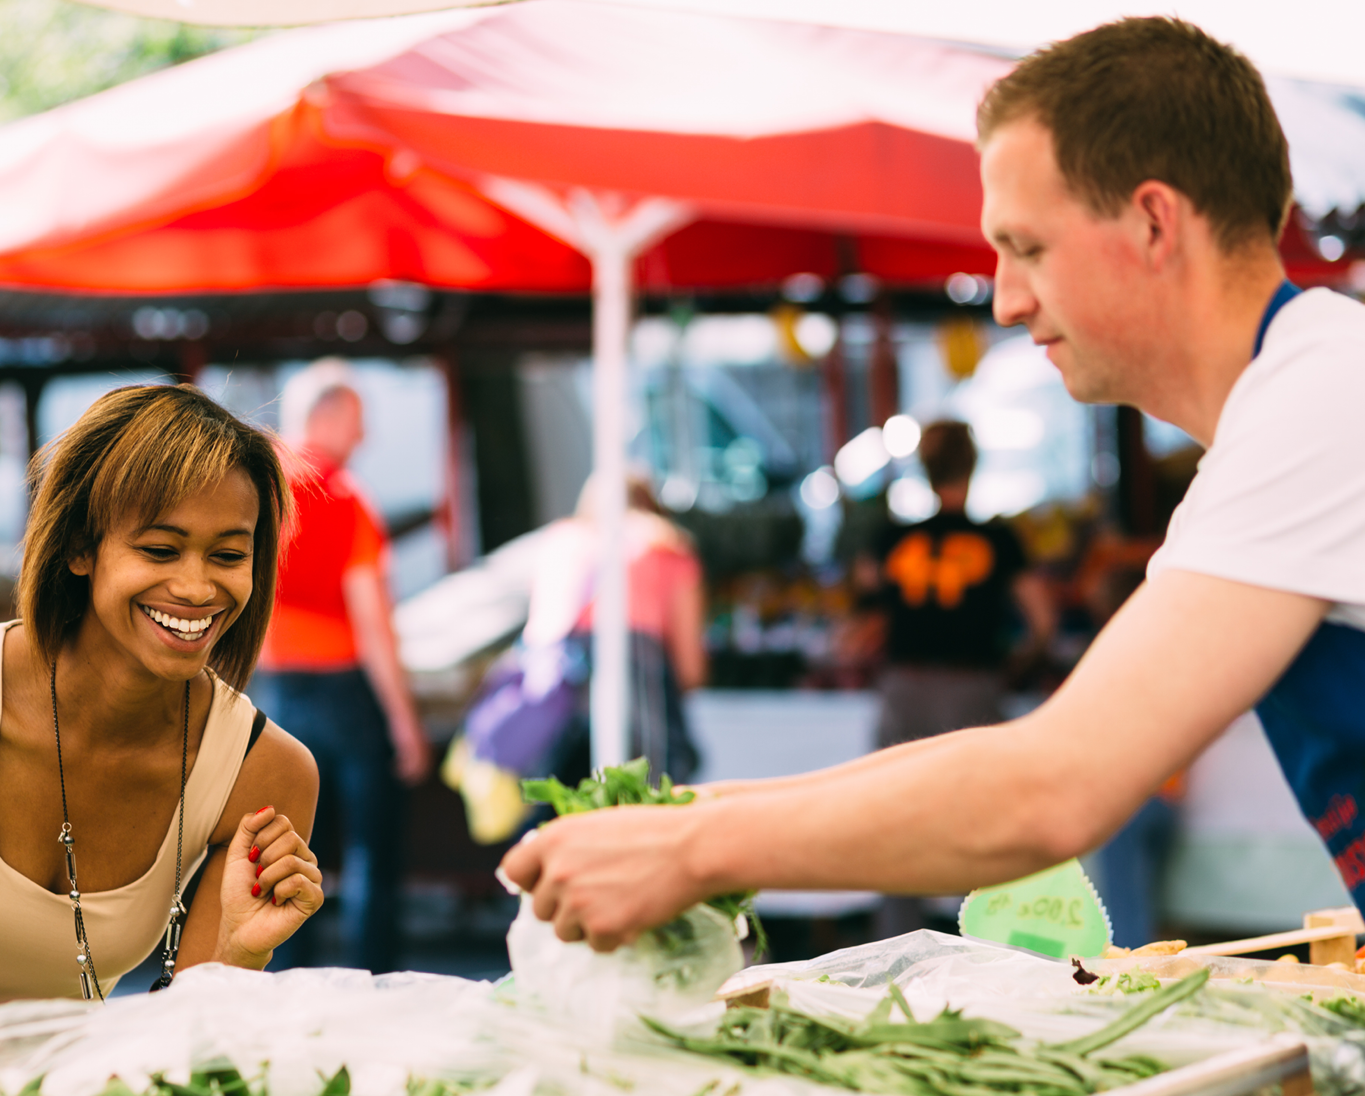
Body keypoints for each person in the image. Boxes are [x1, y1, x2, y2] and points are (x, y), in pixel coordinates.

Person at [503, 18, 1365, 953]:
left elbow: (1054, 786)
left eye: (1026, 246)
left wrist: (696, 846)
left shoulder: (1322, 399)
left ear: (1155, 222)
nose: (1005, 298)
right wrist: (687, 813)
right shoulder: (1296, 399)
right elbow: (1034, 750)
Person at [0, 384, 324, 1051]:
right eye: (160, 550)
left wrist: (240, 949)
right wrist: (0, 1088)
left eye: (228, 555)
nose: (198, 588)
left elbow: (180, 1049)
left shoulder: (265, 770)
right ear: (80, 549)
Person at [254, 361, 430, 972]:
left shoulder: (256, 489)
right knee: (369, 856)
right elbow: (374, 624)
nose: (365, 438)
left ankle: (285, 985)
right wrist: (405, 721)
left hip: (271, 694)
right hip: (344, 693)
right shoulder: (347, 497)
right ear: (325, 415)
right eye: (358, 421)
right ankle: (373, 984)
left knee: (284, 855)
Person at [446, 471, 706, 843]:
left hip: (559, 702)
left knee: (557, 819)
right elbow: (691, 667)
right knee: (646, 823)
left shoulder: (562, 542)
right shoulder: (666, 548)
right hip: (641, 696)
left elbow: (541, 634)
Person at [866, 419, 1052, 747]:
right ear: (972, 464)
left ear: (926, 469)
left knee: (900, 793)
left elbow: (864, 610)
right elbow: (1043, 619)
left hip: (904, 689)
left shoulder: (893, 539)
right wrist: (1020, 662)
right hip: (971, 687)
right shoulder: (997, 539)